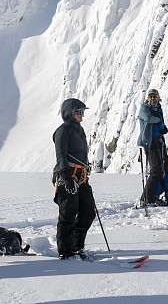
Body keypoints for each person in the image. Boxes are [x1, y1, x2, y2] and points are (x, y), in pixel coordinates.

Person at [52, 98, 96, 259]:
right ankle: (65, 251)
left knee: (88, 211)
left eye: (83, 111)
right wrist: (67, 178)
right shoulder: (62, 131)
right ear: (70, 113)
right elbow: (60, 156)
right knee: (68, 215)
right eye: (79, 111)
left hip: (81, 177)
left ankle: (77, 246)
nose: (82, 115)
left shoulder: (79, 129)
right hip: (67, 177)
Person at [137, 88, 168, 207]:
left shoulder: (159, 109)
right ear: (148, 98)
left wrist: (162, 127)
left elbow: (160, 123)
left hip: (159, 141)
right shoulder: (144, 108)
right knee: (156, 171)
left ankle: (155, 196)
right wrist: (159, 121)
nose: (153, 99)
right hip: (150, 143)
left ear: (158, 98)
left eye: (155, 97)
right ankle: (146, 199)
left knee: (165, 168)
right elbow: (148, 118)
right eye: (151, 97)